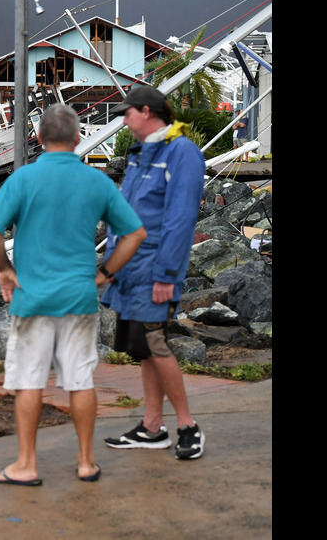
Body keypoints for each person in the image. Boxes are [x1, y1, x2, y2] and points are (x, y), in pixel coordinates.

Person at [0, 104, 146, 485]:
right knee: (80, 379)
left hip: (33, 298)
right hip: (78, 298)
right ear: (77, 139)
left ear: (39, 139)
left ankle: (26, 465)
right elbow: (135, 233)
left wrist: (5, 270)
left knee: (29, 381)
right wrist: (104, 273)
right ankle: (86, 462)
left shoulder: (24, 179)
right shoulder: (97, 182)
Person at [100, 86, 207, 460]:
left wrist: (166, 275)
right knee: (144, 350)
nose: (125, 123)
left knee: (157, 346)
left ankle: (187, 425)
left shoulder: (181, 152)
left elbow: (180, 220)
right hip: (131, 272)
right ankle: (151, 427)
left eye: (127, 115)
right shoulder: (145, 154)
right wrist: (112, 267)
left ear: (147, 112)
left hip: (153, 273)